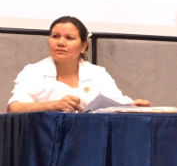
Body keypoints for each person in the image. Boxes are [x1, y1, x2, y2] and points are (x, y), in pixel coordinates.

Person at [7, 16, 150, 113]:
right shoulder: (34, 71)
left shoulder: (97, 74)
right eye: (55, 36)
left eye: (69, 38)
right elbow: (14, 107)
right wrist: (53, 105)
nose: (61, 43)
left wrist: (132, 107)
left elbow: (116, 104)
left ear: (83, 46)